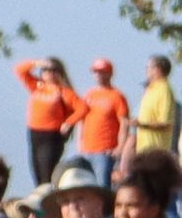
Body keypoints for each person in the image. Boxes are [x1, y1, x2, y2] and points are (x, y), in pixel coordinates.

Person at [14, 57, 87, 184]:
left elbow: (83, 108)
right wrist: (37, 63)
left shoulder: (64, 92)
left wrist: (69, 122)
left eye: (53, 70)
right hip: (34, 133)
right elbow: (19, 70)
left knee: (46, 171)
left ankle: (48, 197)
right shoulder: (37, 86)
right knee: (36, 170)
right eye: (46, 70)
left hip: (51, 136)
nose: (49, 73)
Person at [80, 58, 129, 188]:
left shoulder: (117, 96)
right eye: (96, 72)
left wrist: (120, 146)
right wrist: (80, 143)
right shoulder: (89, 95)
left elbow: (124, 123)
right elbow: (82, 119)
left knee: (102, 186)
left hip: (105, 150)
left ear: (109, 73)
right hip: (87, 149)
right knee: (88, 186)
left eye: (102, 72)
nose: (98, 75)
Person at [131, 55, 177, 155]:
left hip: (155, 152)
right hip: (143, 149)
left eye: (148, 67)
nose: (146, 71)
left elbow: (166, 123)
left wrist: (142, 124)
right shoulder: (151, 90)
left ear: (157, 69)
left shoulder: (164, 90)